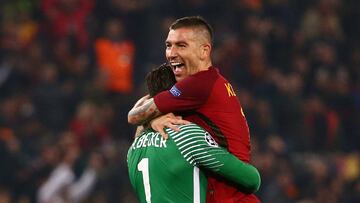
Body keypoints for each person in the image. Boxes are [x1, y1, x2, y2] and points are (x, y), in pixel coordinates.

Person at [128, 16, 260, 202]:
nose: (171, 53)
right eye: (168, 45)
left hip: (231, 197)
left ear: (204, 50)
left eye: (181, 45)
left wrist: (149, 118)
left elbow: (134, 117)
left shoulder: (198, 85)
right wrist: (153, 118)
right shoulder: (207, 85)